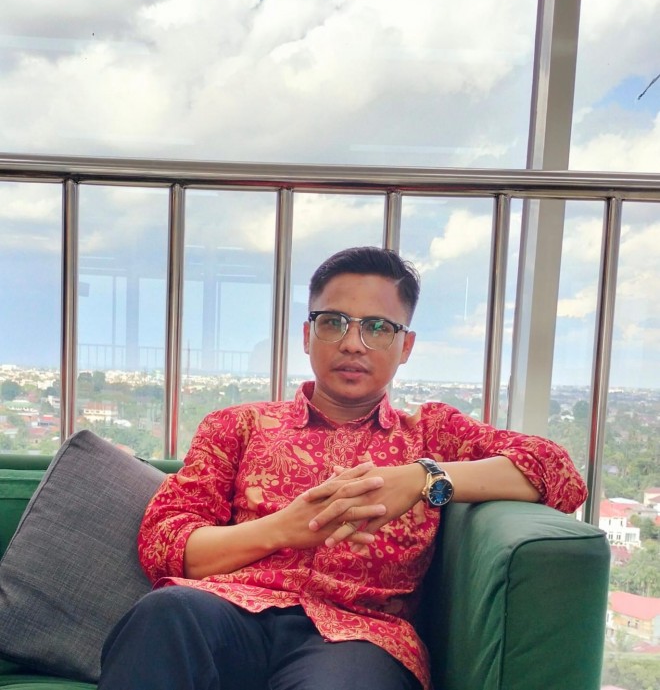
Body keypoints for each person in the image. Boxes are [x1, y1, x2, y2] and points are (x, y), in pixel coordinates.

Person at [98, 246, 587, 690]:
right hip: (226, 613)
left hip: (358, 636)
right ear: (307, 335)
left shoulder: (430, 434)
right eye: (333, 322)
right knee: (166, 613)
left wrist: (422, 478)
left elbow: (558, 474)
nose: (353, 343)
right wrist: (281, 529)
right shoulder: (238, 426)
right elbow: (165, 543)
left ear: (406, 346)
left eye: (378, 328)